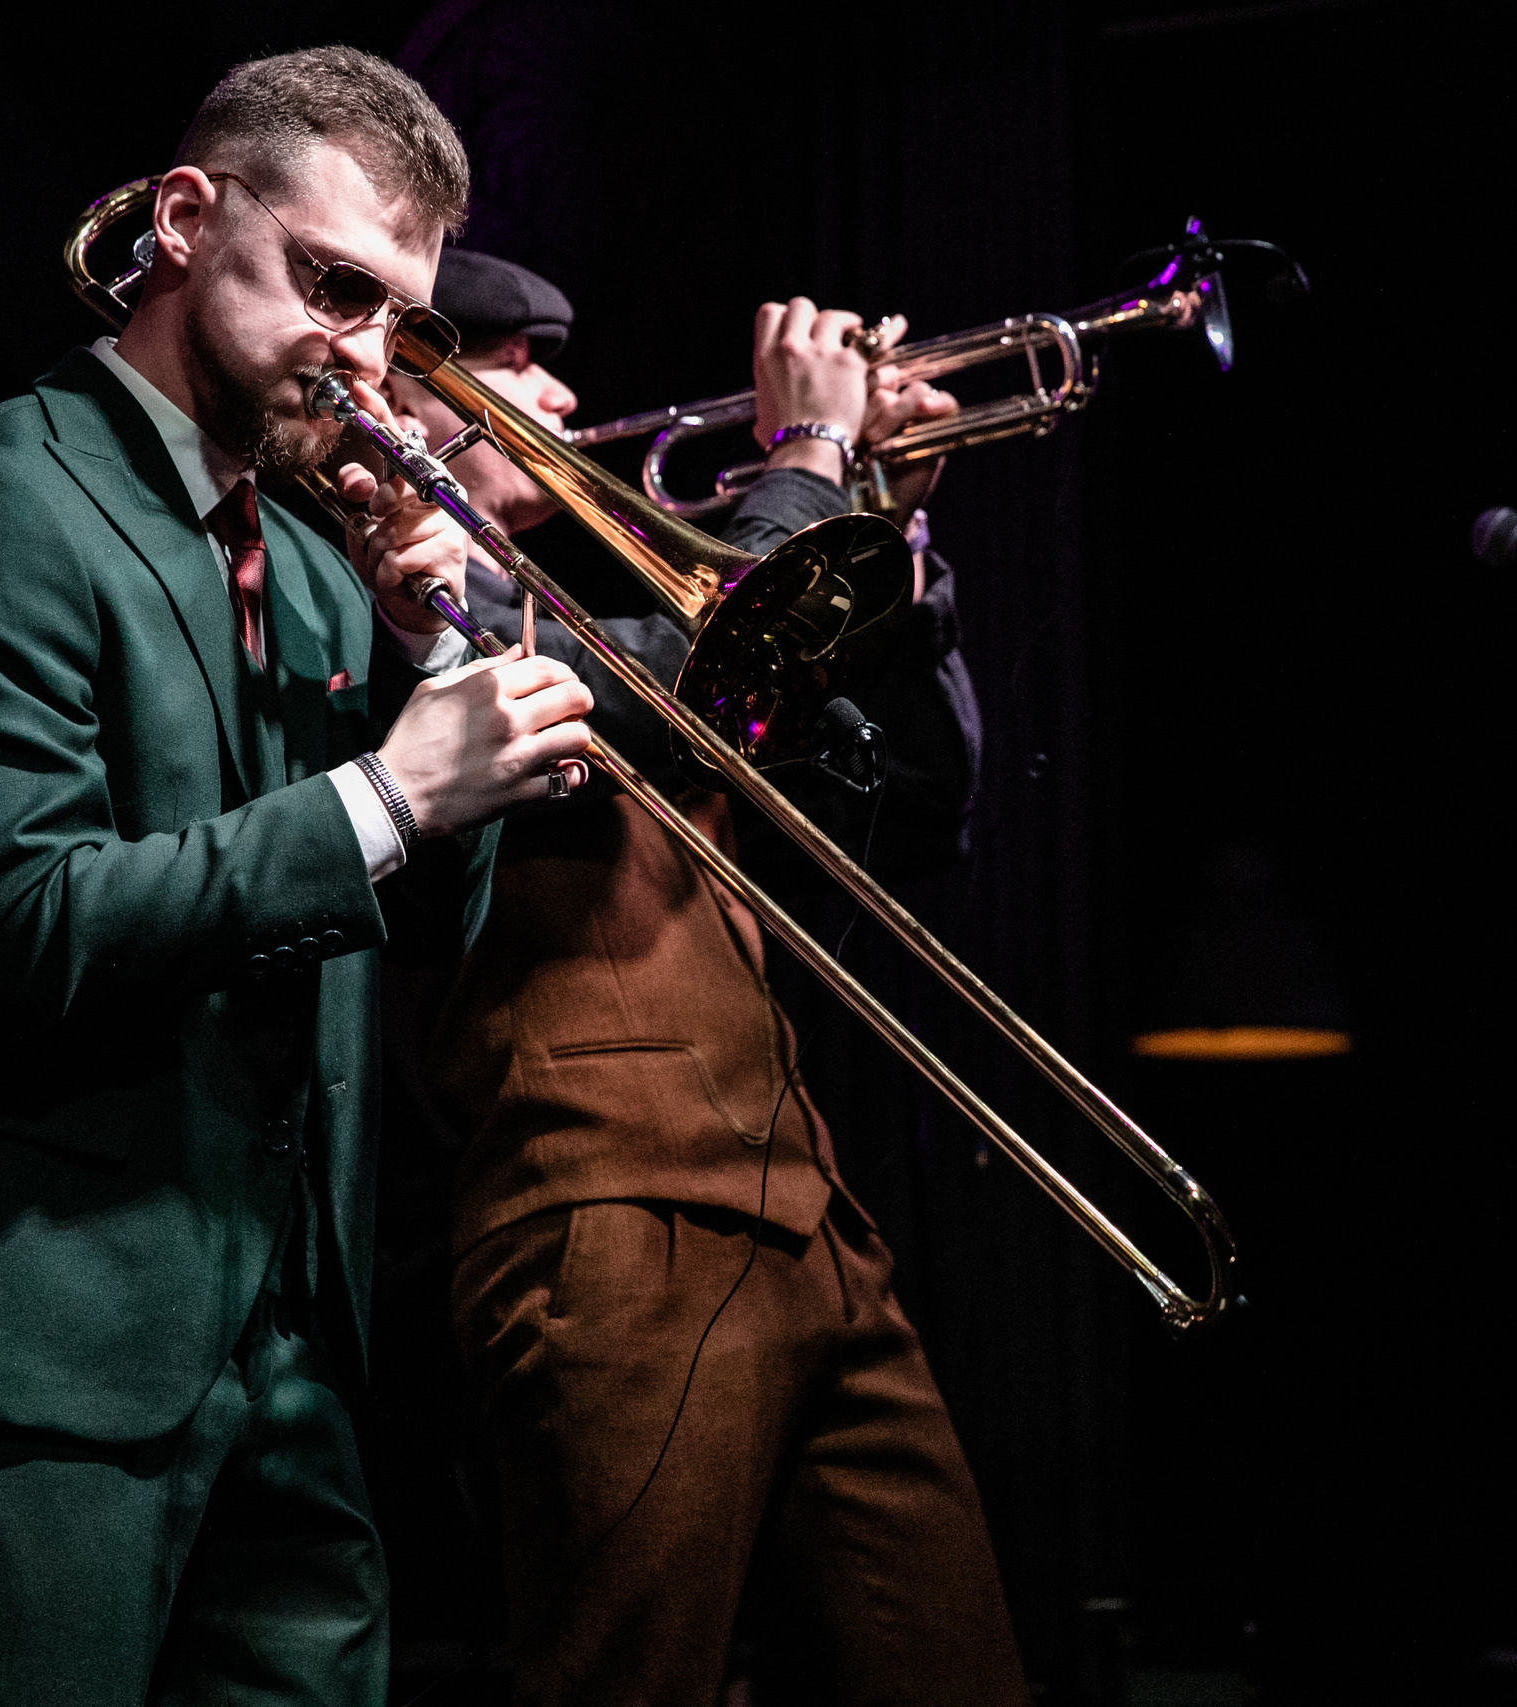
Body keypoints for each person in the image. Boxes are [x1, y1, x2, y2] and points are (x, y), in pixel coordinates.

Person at [0, 49, 591, 1705]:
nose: (366, 357)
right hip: (39, 1359)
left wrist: (406, 676)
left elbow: (417, 931)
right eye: (333, 287)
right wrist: (388, 790)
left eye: (395, 318)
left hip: (297, 1359)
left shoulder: (311, 565)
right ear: (182, 219)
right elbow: (15, 929)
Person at [382, 249, 1033, 1705]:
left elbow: (918, 809)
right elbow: (678, 696)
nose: (559, 393)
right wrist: (806, 456)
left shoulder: (632, 591)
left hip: (811, 1219)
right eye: (506, 365)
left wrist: (892, 553)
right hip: (605, 1227)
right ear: (405, 400)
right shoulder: (413, 617)